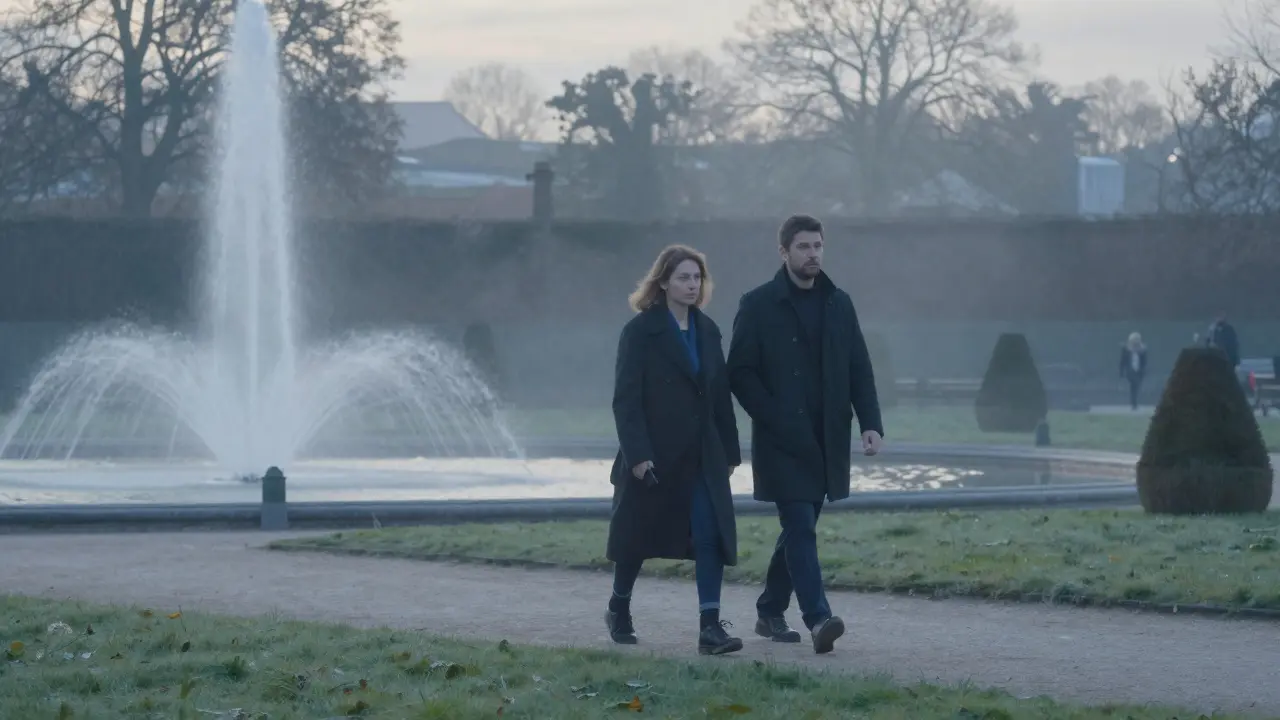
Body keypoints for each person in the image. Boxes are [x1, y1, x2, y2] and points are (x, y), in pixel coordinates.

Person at [726, 214, 883, 655]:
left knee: (800, 528)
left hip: (828, 437)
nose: (813, 254)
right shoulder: (757, 304)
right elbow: (739, 371)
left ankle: (769, 608)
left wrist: (870, 422)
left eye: (817, 246)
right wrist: (773, 416)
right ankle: (819, 619)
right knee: (799, 525)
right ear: (784, 252)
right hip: (782, 439)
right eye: (803, 247)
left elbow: (858, 367)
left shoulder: (839, 303)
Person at [605, 244, 744, 656]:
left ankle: (710, 627)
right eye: (683, 277)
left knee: (709, 534)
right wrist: (638, 455)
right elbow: (625, 399)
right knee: (636, 538)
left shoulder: (708, 330)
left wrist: (730, 452)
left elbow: (719, 396)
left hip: (703, 453)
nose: (691, 284)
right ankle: (619, 607)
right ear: (663, 281)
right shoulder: (639, 332)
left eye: (697, 277)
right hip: (654, 453)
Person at [1118, 332, 1148, 411]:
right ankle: (1134, 403)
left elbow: (1144, 361)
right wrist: (1121, 372)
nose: (1135, 341)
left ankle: (1134, 403)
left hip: (1139, 371)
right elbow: (1123, 361)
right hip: (1130, 370)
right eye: (1134, 339)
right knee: (1134, 383)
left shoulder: (1142, 349)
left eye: (1137, 339)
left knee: (1135, 387)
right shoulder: (1126, 349)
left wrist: (1144, 370)